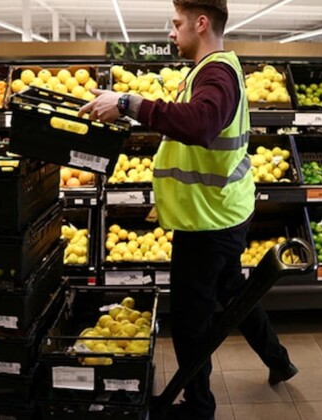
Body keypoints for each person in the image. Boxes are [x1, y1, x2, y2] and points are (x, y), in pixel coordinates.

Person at [80, 1, 297, 418]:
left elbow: (200, 124)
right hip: (221, 210)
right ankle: (279, 360)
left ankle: (199, 407)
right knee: (234, 291)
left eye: (176, 24)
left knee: (190, 320)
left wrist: (128, 103)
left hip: (207, 221)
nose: (170, 32)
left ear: (201, 23)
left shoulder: (215, 72)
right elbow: (190, 122)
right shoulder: (215, 69)